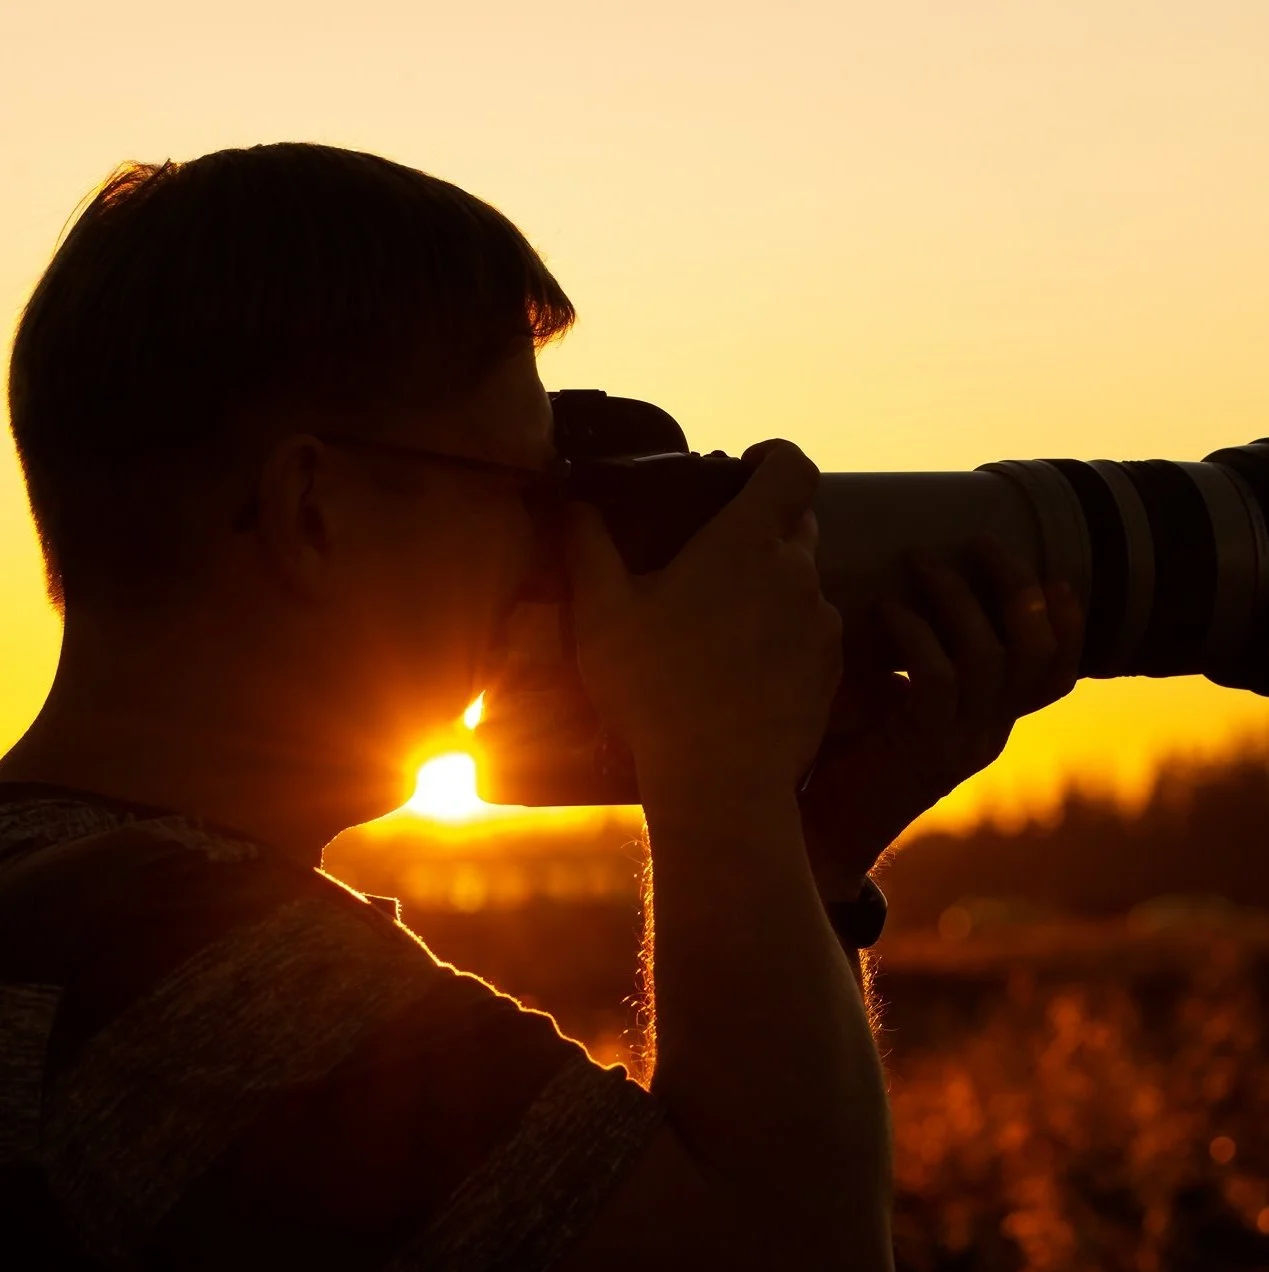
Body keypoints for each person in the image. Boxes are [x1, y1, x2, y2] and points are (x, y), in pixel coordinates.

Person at [0, 142, 1082, 1270]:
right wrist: (718, 782)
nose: (555, 561)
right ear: (313, 509)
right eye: (525, 493)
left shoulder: (64, 926)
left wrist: (790, 862)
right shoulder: (186, 984)